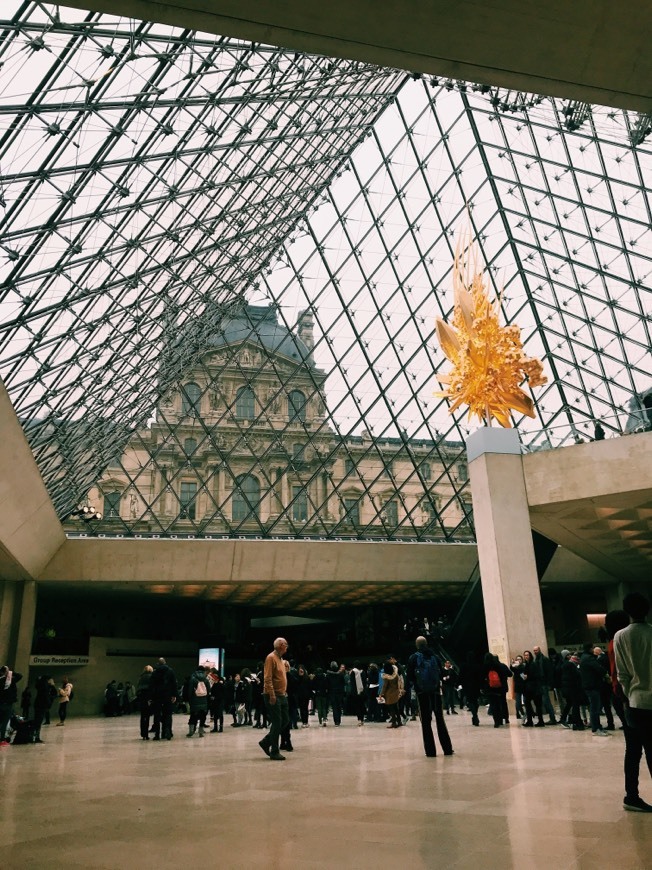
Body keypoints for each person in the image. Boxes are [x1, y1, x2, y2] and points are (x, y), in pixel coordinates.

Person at [614, 592, 652, 812]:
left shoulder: (620, 636)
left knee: (633, 751)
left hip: (635, 702)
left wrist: (630, 696)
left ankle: (632, 795)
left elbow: (622, 675)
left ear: (628, 611)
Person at [406, 636, 453, 757]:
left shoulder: (413, 657)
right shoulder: (435, 657)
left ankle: (431, 751)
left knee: (426, 722)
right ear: (426, 644)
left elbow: (410, 677)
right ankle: (447, 749)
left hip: (422, 694)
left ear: (417, 645)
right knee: (440, 719)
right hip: (436, 693)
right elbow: (442, 673)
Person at [258, 637, 290, 761]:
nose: (287, 646)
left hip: (282, 695)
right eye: (285, 644)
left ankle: (266, 742)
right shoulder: (271, 658)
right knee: (277, 722)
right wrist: (271, 694)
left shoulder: (281, 659)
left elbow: (281, 676)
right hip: (273, 695)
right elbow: (267, 678)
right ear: (281, 645)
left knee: (285, 720)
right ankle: (274, 751)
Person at [579, 643, 610, 736]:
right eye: (592, 648)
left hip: (590, 685)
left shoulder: (585, 657)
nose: (593, 649)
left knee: (595, 708)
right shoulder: (588, 658)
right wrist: (606, 674)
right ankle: (595, 728)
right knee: (594, 708)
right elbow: (599, 668)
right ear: (589, 648)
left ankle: (598, 727)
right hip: (592, 686)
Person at [149, 657, 177, 740]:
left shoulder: (155, 672)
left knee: (157, 715)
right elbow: (174, 684)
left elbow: (151, 686)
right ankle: (167, 731)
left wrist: (151, 697)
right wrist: (174, 695)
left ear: (158, 663)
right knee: (168, 714)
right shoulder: (170, 671)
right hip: (167, 696)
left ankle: (157, 734)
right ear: (165, 663)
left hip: (157, 697)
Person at [0, 665, 22, 745]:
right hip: (7, 704)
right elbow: (20, 676)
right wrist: (10, 672)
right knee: (4, 722)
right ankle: (2, 739)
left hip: (2, 703)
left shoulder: (2, 680)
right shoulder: (10, 680)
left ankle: (2, 739)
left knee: (2, 722)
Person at [186, 665, 211, 737]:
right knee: (203, 716)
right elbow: (208, 690)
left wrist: (190, 699)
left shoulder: (193, 678)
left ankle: (191, 731)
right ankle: (201, 732)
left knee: (193, 716)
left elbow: (190, 690)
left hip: (194, 700)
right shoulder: (205, 679)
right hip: (203, 700)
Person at [33, 675, 56, 743]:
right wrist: (52, 685)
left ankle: (35, 736)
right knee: (38, 721)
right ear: (48, 680)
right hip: (42, 706)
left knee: (37, 721)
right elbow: (53, 694)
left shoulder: (41, 686)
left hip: (38, 705)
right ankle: (36, 737)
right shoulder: (45, 687)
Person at [378, 659, 401, 728]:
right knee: (396, 708)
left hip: (389, 694)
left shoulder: (387, 677)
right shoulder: (395, 674)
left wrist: (381, 694)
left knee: (391, 709)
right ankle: (399, 721)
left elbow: (385, 686)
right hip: (395, 692)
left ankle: (394, 723)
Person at [136, 665, 153, 740]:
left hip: (142, 698)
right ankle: (146, 734)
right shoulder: (152, 677)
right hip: (149, 698)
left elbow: (138, 689)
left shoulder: (141, 677)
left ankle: (143, 733)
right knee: (148, 716)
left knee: (143, 716)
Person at [349, 661, 367, 726]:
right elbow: (365, 683)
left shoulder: (353, 672)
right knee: (362, 706)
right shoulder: (363, 672)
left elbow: (352, 683)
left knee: (357, 706)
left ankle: (359, 719)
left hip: (355, 692)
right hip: (362, 692)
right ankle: (362, 719)